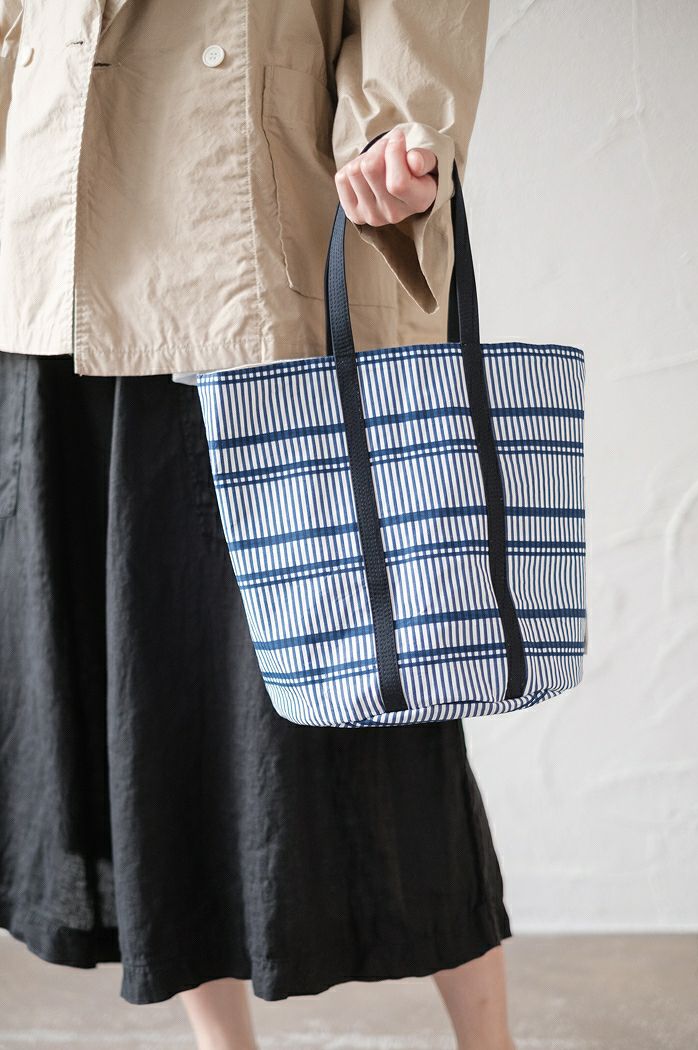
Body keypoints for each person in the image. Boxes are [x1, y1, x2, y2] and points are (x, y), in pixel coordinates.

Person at [0, 2, 517, 1047]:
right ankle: (222, 1043)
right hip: (53, 250)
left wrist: (397, 127)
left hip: (252, 245)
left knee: (375, 705)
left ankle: (490, 1042)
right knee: (143, 702)